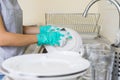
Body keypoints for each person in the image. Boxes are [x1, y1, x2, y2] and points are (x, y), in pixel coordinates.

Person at [0, 0, 71, 79]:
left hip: (16, 63)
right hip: (2, 68)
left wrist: (44, 30)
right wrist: (43, 38)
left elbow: (15, 28)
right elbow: (2, 38)